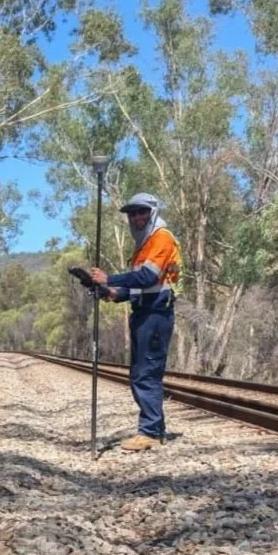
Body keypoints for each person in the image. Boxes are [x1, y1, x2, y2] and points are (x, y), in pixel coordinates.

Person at [90, 193, 182, 451]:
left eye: (141, 212)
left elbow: (146, 278)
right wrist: (112, 293)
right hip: (144, 312)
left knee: (146, 374)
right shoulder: (145, 244)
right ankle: (154, 428)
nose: (136, 217)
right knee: (141, 373)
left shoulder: (161, 237)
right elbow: (140, 288)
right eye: (132, 213)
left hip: (156, 314)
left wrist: (109, 279)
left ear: (152, 212)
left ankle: (150, 432)